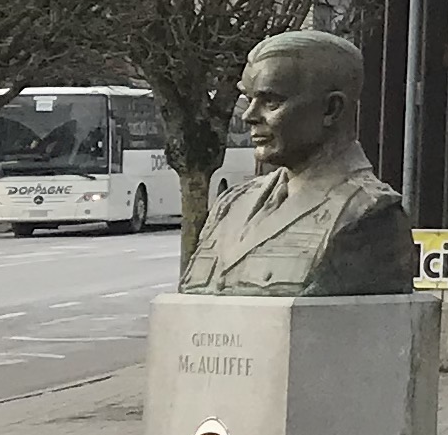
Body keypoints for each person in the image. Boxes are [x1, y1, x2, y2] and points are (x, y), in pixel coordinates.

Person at [178, 30, 420, 296]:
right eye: (249, 99)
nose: (249, 115)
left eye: (271, 101)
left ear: (331, 110)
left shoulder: (369, 215)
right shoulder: (230, 205)